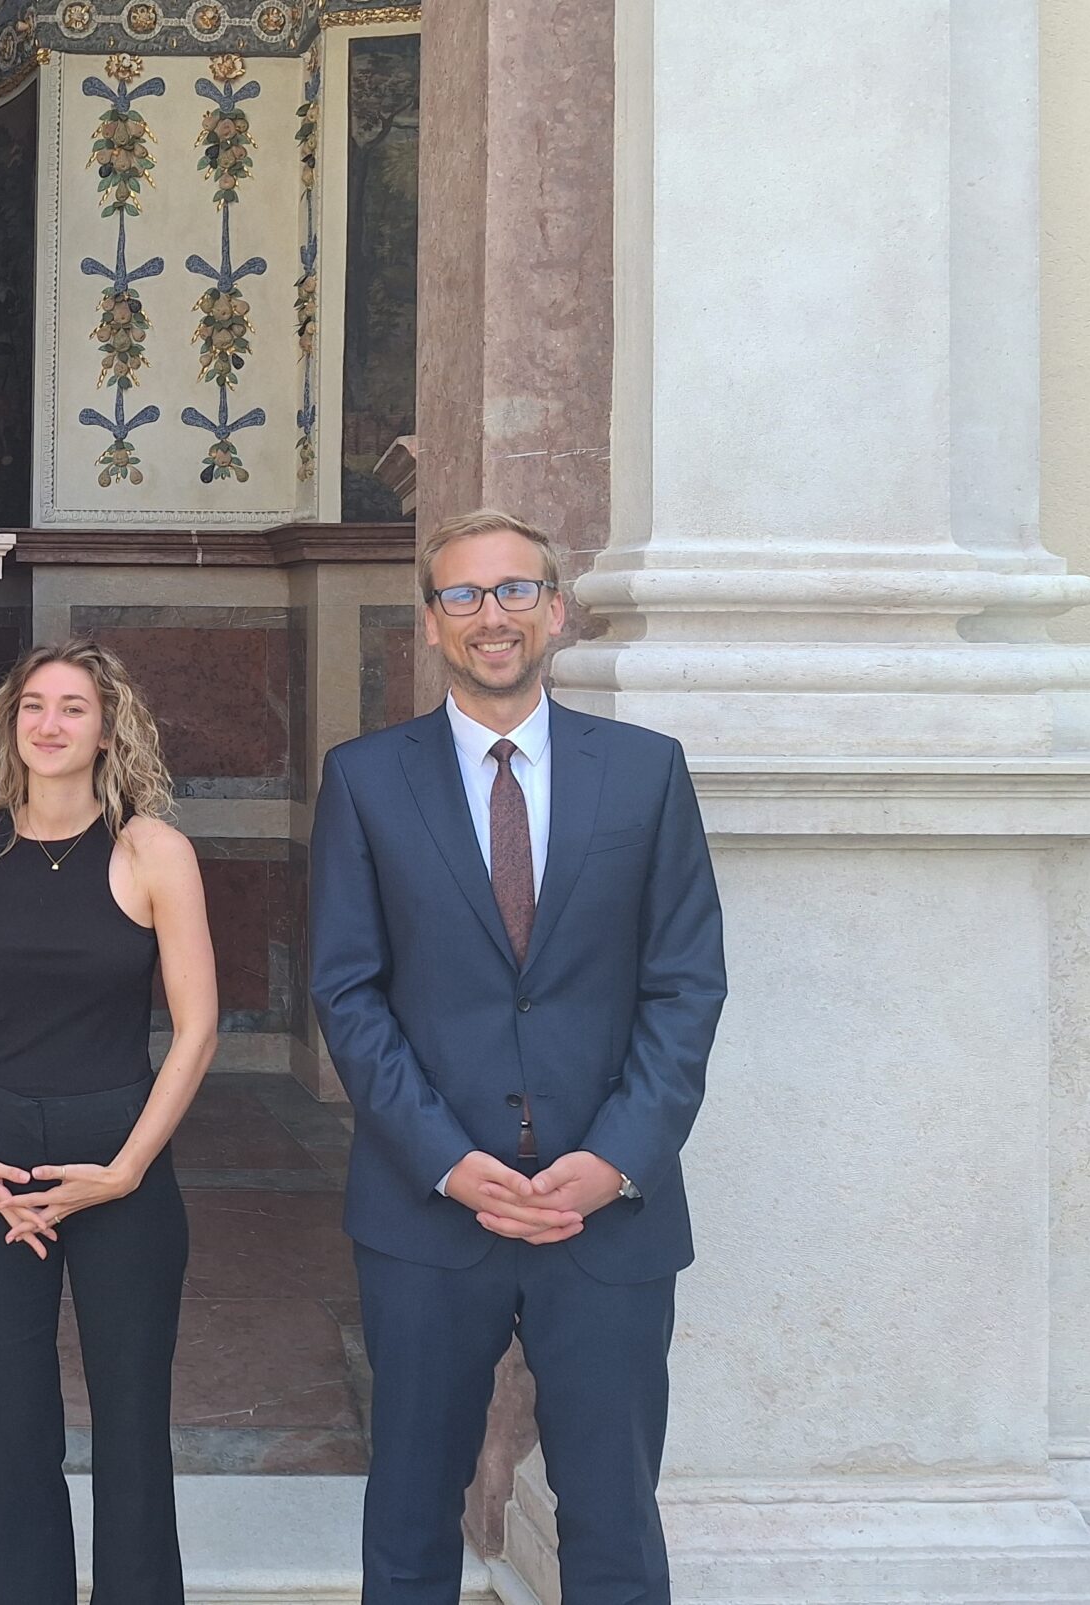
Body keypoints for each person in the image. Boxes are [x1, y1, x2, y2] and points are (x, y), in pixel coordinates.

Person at [307, 509, 726, 1604]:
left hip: (608, 1215)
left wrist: (616, 1156)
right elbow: (347, 993)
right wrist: (445, 1160)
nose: (488, 616)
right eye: (461, 596)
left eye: (511, 592)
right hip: (427, 1210)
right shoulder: (363, 779)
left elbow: (685, 984)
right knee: (407, 1513)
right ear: (432, 625)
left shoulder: (645, 772)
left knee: (614, 1517)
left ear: (554, 609)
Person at [0, 638, 218, 1605]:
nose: (50, 724)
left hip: (120, 1159)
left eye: (73, 708)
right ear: (12, 724)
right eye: (33, 707)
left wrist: (128, 1167)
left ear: (107, 729)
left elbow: (197, 1025)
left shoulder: (153, 851)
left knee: (132, 1423)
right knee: (12, 1426)